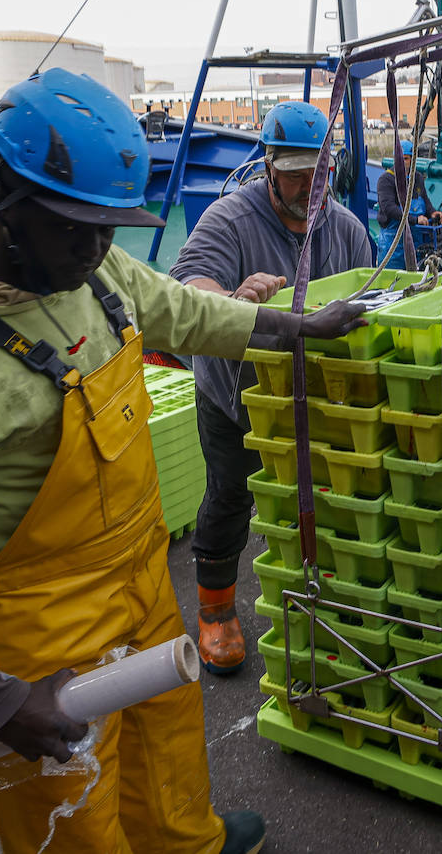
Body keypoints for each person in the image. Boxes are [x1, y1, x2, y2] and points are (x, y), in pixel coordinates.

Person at [0, 69, 364, 854]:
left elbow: (178, 308)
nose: (93, 248)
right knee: (72, 808)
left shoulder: (98, 273)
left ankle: (191, 843)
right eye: (72, 227)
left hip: (142, 580)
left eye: (109, 227)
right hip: (37, 630)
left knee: (168, 746)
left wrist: (290, 325)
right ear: (4, 197)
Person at [168, 100, 373, 675]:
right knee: (232, 495)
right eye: (295, 176)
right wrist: (233, 301)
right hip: (236, 397)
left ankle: (325, 599)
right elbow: (189, 285)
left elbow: (372, 298)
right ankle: (214, 610)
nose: (310, 187)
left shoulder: (349, 228)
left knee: (325, 500)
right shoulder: (230, 220)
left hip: (313, 396)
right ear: (269, 171)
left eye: (320, 174)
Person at [374, 138, 442, 270]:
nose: (403, 162)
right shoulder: (386, 180)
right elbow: (389, 208)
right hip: (393, 245)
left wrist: (432, 212)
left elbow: (424, 198)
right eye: (401, 158)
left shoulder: (417, 178)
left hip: (414, 242)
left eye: (406, 158)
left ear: (413, 159)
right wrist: (415, 219)